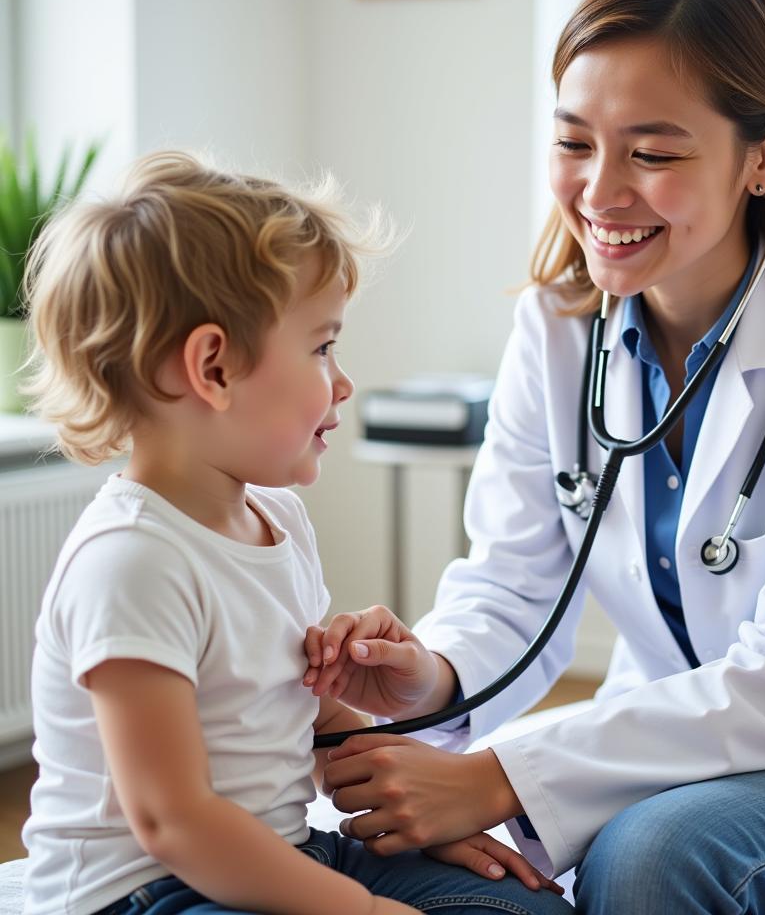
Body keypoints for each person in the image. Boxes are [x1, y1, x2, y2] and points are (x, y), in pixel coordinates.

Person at [303, 0, 765, 914]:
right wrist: (425, 677)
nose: (599, 192)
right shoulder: (556, 329)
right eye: (572, 143)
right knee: (380, 846)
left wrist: (500, 775)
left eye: (652, 152)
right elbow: (513, 587)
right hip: (673, 740)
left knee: (651, 857)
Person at [19, 152, 571, 915]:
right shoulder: (132, 563)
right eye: (321, 347)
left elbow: (310, 713)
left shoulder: (276, 520)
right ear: (213, 367)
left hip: (280, 848)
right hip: (151, 889)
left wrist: (415, 823)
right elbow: (173, 822)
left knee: (523, 907)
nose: (342, 381)